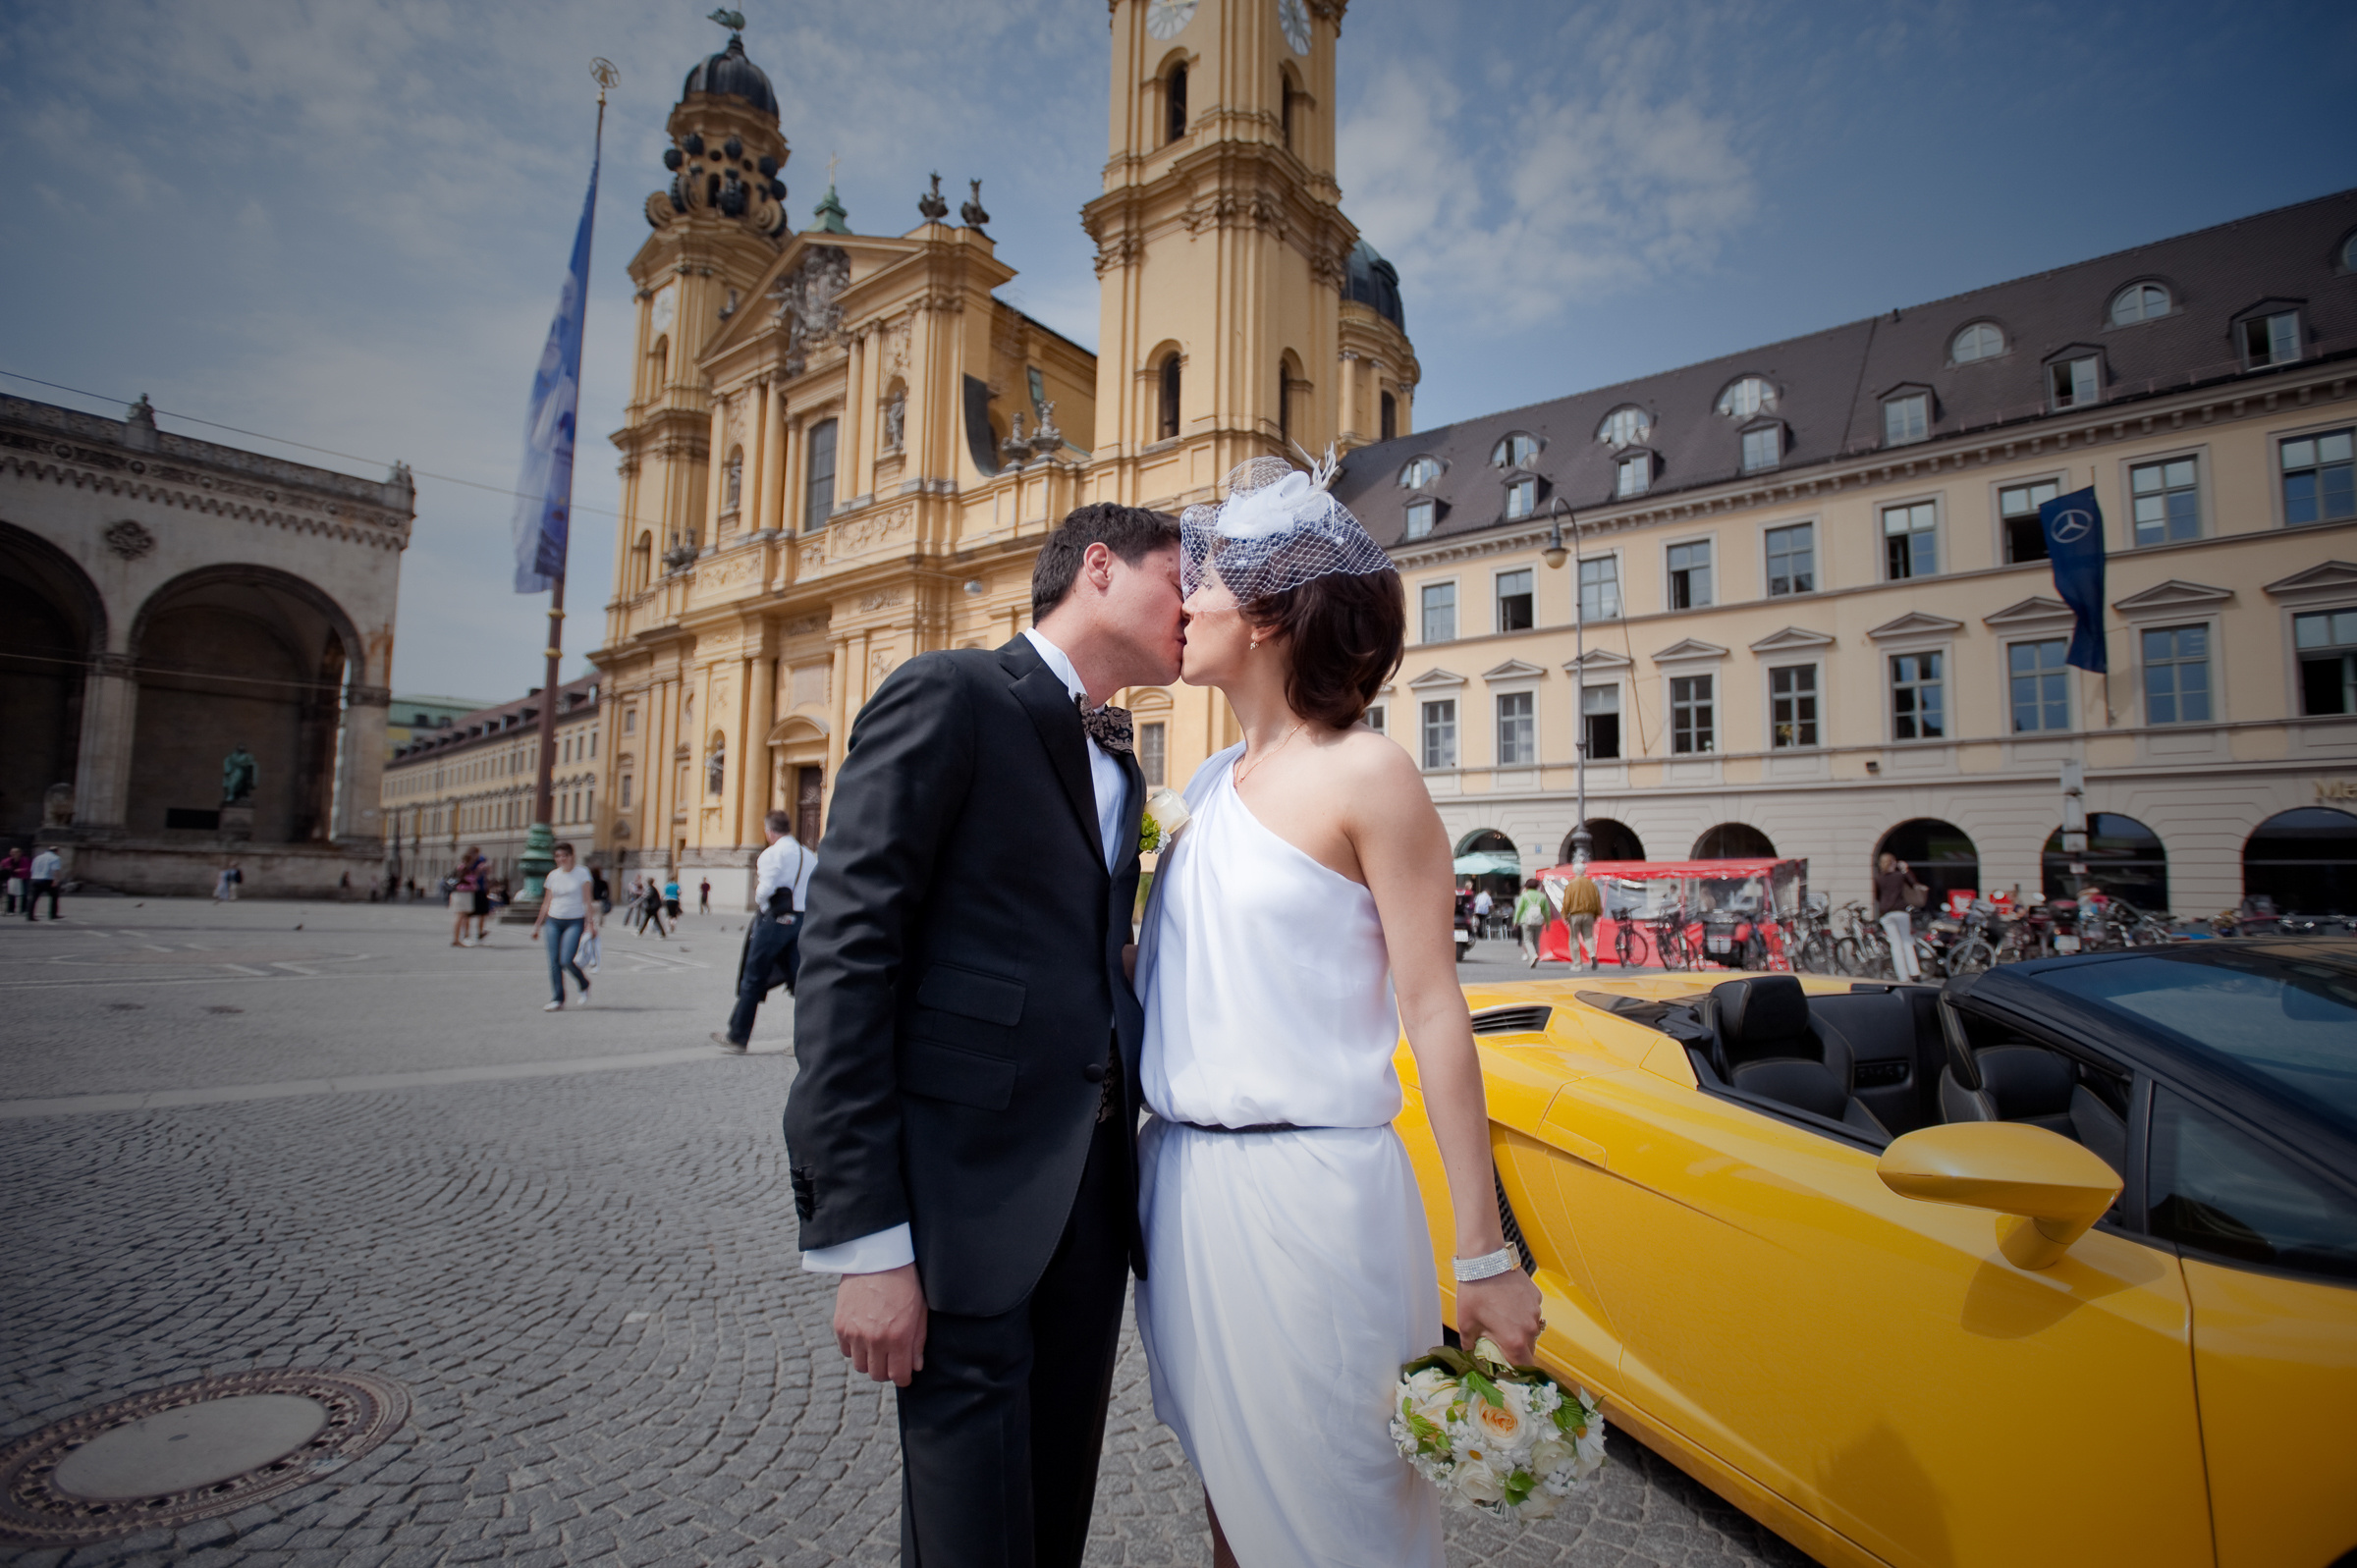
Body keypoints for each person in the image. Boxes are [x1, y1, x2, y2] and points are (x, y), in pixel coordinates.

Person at [1133, 460, 1542, 1567]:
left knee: (1336, 1521)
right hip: (1184, 1191)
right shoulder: (1207, 783)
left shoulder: (1371, 773)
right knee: (1230, 1502)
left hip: (1313, 1202)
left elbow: (1435, 1011)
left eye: (1204, 585)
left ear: (1266, 616)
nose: (1184, 603)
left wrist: (1484, 1253)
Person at [784, 501, 1184, 1568]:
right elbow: (846, 954)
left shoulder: (1123, 763)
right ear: (1098, 567)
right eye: (1179, 579)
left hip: (1086, 1213)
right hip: (959, 1211)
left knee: (1053, 1524)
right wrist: (866, 1241)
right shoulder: (952, 692)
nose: (1195, 607)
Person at [713, 810, 818, 1053]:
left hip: (775, 922)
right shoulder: (808, 855)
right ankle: (803, 1041)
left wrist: (762, 905)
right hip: (802, 921)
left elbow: (765, 890)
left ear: (770, 831)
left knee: (753, 976)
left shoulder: (772, 854)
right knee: (801, 982)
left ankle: (738, 1036)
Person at [528, 840, 597, 1012]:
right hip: (553, 920)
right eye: (557, 856)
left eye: (564, 856)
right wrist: (537, 925)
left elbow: (587, 900)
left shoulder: (582, 873)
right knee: (553, 961)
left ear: (572, 856)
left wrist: (590, 924)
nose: (561, 859)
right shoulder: (553, 875)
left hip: (574, 920)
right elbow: (546, 902)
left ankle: (583, 983)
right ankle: (557, 998)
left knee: (566, 959)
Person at [1874, 851, 1925, 982]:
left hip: (1886, 914)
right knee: (1907, 941)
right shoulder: (1899, 876)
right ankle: (1915, 972)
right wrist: (1905, 870)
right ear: (1893, 863)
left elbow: (1877, 896)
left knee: (1896, 945)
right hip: (1901, 912)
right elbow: (1914, 884)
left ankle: (1903, 976)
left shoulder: (1879, 878)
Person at [1560, 868, 1603, 968]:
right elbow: (1597, 900)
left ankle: (1577, 964)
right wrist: (1596, 913)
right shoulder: (1591, 884)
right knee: (1588, 936)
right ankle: (1592, 953)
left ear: (1575, 871)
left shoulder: (1571, 884)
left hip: (1575, 914)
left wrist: (1565, 915)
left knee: (1574, 938)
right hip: (1589, 914)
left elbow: (1567, 902)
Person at [1511, 877, 1553, 967]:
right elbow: (1547, 911)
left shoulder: (1525, 896)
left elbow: (1519, 910)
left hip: (1526, 920)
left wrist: (1515, 920)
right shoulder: (1542, 896)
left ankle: (1533, 955)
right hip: (1539, 921)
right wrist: (1548, 922)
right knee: (1536, 941)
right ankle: (1534, 958)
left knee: (1527, 940)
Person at [449, 849, 484, 947]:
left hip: (460, 894)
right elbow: (470, 880)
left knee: (460, 916)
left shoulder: (461, 867)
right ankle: (456, 939)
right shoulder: (464, 868)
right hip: (463, 894)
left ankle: (459, 938)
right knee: (460, 916)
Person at [24, 843, 63, 921]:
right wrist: (56, 880)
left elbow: (32, 869)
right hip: (47, 879)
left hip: (35, 878)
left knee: (33, 898)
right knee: (54, 896)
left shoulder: (38, 857)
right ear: (56, 851)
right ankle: (53, 914)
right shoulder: (55, 858)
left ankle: (30, 915)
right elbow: (55, 870)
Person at [4, 846, 26, 915]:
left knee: (24, 894)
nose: (13, 854)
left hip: (22, 878)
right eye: (12, 852)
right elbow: (2, 867)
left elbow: (28, 868)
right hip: (11, 879)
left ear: (20, 853)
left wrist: (21, 870)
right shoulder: (7, 860)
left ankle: (23, 910)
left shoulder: (24, 860)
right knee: (11, 894)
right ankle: (11, 910)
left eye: (15, 852)